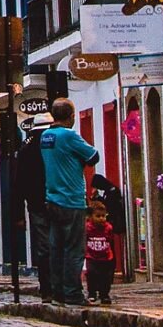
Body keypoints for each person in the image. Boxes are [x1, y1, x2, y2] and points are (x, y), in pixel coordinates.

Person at [41, 98, 100, 306]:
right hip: (72, 200)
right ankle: (73, 293)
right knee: (74, 250)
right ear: (71, 116)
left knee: (56, 248)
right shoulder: (69, 135)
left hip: (52, 199)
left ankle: (58, 292)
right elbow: (93, 156)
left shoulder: (45, 136)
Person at [13, 113, 53, 302]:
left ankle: (46, 289)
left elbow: (18, 184)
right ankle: (62, 286)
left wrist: (18, 213)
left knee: (44, 248)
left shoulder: (25, 149)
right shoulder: (55, 143)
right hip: (58, 201)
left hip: (36, 205)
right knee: (61, 245)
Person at [90, 173, 126, 274]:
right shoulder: (108, 191)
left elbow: (110, 205)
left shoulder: (112, 190)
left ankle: (112, 266)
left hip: (114, 222)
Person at [84, 200, 115, 305]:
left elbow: (110, 240)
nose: (101, 218)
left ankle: (104, 294)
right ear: (91, 216)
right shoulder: (87, 228)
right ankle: (92, 293)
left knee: (105, 277)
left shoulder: (108, 228)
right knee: (91, 274)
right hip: (91, 256)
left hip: (105, 256)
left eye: (103, 216)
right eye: (98, 216)